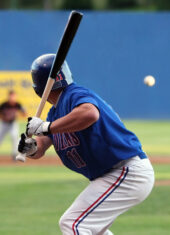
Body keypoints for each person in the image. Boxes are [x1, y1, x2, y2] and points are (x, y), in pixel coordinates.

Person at [18, 54, 155, 235]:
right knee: (91, 229)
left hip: (126, 172)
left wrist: (46, 126)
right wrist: (30, 147)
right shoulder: (55, 112)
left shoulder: (74, 94)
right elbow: (40, 148)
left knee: (73, 224)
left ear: (38, 87)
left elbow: (90, 114)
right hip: (114, 175)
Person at [0, 90, 26, 160]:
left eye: (13, 96)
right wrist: (4, 118)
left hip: (13, 124)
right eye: (11, 96)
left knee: (14, 137)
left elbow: (24, 113)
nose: (12, 98)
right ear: (8, 96)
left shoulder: (18, 104)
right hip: (4, 124)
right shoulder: (4, 104)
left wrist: (20, 113)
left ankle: (14, 154)